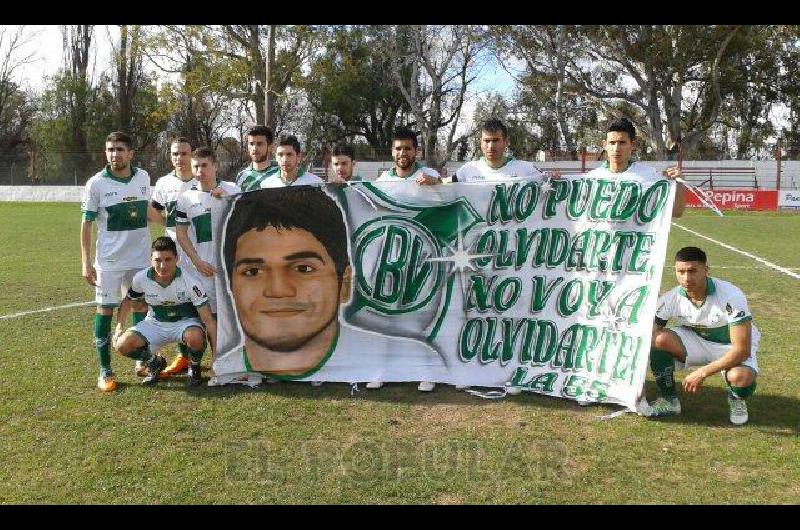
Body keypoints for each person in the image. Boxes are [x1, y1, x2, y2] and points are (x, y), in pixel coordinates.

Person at [214, 186, 448, 384]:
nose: (278, 290)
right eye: (253, 271)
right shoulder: (227, 367)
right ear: (231, 286)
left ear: (344, 282)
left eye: (303, 269)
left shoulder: (413, 357)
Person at [644, 246, 760, 425]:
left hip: (730, 346)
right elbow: (649, 334)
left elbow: (741, 350)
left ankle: (737, 398)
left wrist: (703, 372)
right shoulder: (671, 298)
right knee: (658, 339)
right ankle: (669, 400)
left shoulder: (731, 296)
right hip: (697, 342)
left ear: (706, 270)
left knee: (740, 377)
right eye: (681, 272)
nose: (686, 278)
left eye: (692, 271)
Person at [371, 128, 441, 391]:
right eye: (398, 148)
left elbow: (451, 195)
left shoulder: (429, 176)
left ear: (416, 151)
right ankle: (381, 370)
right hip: (390, 256)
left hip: (422, 256)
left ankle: (426, 371)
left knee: (421, 315)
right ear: (392, 151)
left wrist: (438, 186)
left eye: (408, 149)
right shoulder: (382, 180)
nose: (403, 153)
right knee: (385, 315)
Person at [81, 131, 151, 392]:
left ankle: (142, 362)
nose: (115, 154)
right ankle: (105, 370)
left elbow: (147, 212)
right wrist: (86, 263)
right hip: (109, 262)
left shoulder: (143, 177)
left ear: (131, 153)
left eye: (120, 149)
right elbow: (86, 224)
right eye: (110, 150)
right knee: (105, 311)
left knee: (141, 307)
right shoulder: (96, 183)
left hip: (140, 260)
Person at [112, 237, 217, 387]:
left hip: (185, 324)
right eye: (158, 260)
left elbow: (208, 320)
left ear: (176, 259)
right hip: (155, 323)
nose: (162, 265)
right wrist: (119, 328)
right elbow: (127, 301)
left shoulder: (191, 282)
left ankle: (194, 368)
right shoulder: (141, 278)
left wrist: (216, 358)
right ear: (151, 260)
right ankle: (154, 362)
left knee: (195, 337)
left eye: (168, 259)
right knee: (122, 345)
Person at [147, 136, 199, 379]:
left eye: (184, 153)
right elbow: (153, 211)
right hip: (174, 255)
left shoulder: (200, 179)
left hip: (200, 253)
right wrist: (168, 226)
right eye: (175, 154)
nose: (180, 158)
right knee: (179, 302)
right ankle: (183, 356)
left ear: (192, 154)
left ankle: (199, 356)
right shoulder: (164, 183)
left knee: (202, 304)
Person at [175, 147, 240, 321]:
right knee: (212, 318)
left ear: (215, 166)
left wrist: (227, 200)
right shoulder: (186, 198)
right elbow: (181, 234)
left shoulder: (232, 190)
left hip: (231, 265)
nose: (199, 171)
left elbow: (244, 224)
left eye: (204, 166)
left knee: (235, 317)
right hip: (205, 268)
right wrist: (197, 261)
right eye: (195, 167)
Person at [585, 117, 686, 217]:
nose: (616, 148)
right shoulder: (591, 178)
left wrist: (679, 184)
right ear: (605, 145)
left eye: (622, 143)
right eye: (612, 143)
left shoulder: (649, 176)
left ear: (633, 145)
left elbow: (676, 212)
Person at [453, 119, 544, 183]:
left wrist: (556, 178)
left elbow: (551, 185)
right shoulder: (468, 169)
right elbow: (444, 185)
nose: (491, 146)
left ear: (506, 142)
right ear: (481, 143)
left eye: (496, 140)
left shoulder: (527, 169)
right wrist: (438, 181)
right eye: (487, 141)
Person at [257, 135, 325, 188]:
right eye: (280, 155)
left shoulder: (315, 183)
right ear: (275, 157)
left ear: (298, 157)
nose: (284, 159)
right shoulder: (267, 185)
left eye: (289, 154)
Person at [236, 125, 280, 192]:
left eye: (259, 144)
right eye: (251, 144)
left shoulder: (281, 171)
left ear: (270, 147)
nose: (254, 148)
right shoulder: (242, 176)